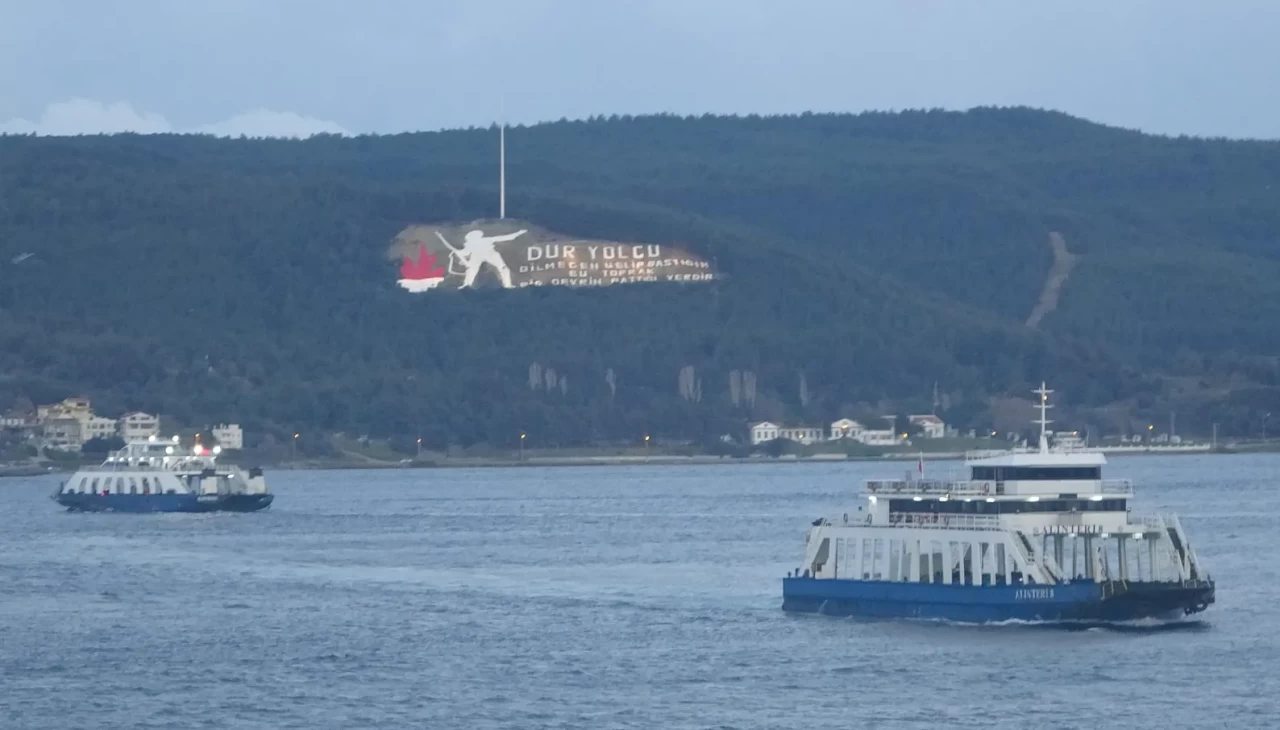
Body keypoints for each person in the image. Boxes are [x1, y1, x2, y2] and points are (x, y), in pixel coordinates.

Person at [437, 228, 527, 289]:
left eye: (476, 236)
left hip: (490, 253)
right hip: (477, 256)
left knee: (503, 267)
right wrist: (441, 238)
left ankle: (508, 284)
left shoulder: (486, 240)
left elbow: (505, 237)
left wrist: (519, 233)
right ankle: (466, 285)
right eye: (473, 236)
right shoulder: (469, 245)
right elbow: (458, 251)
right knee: (471, 270)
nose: (475, 237)